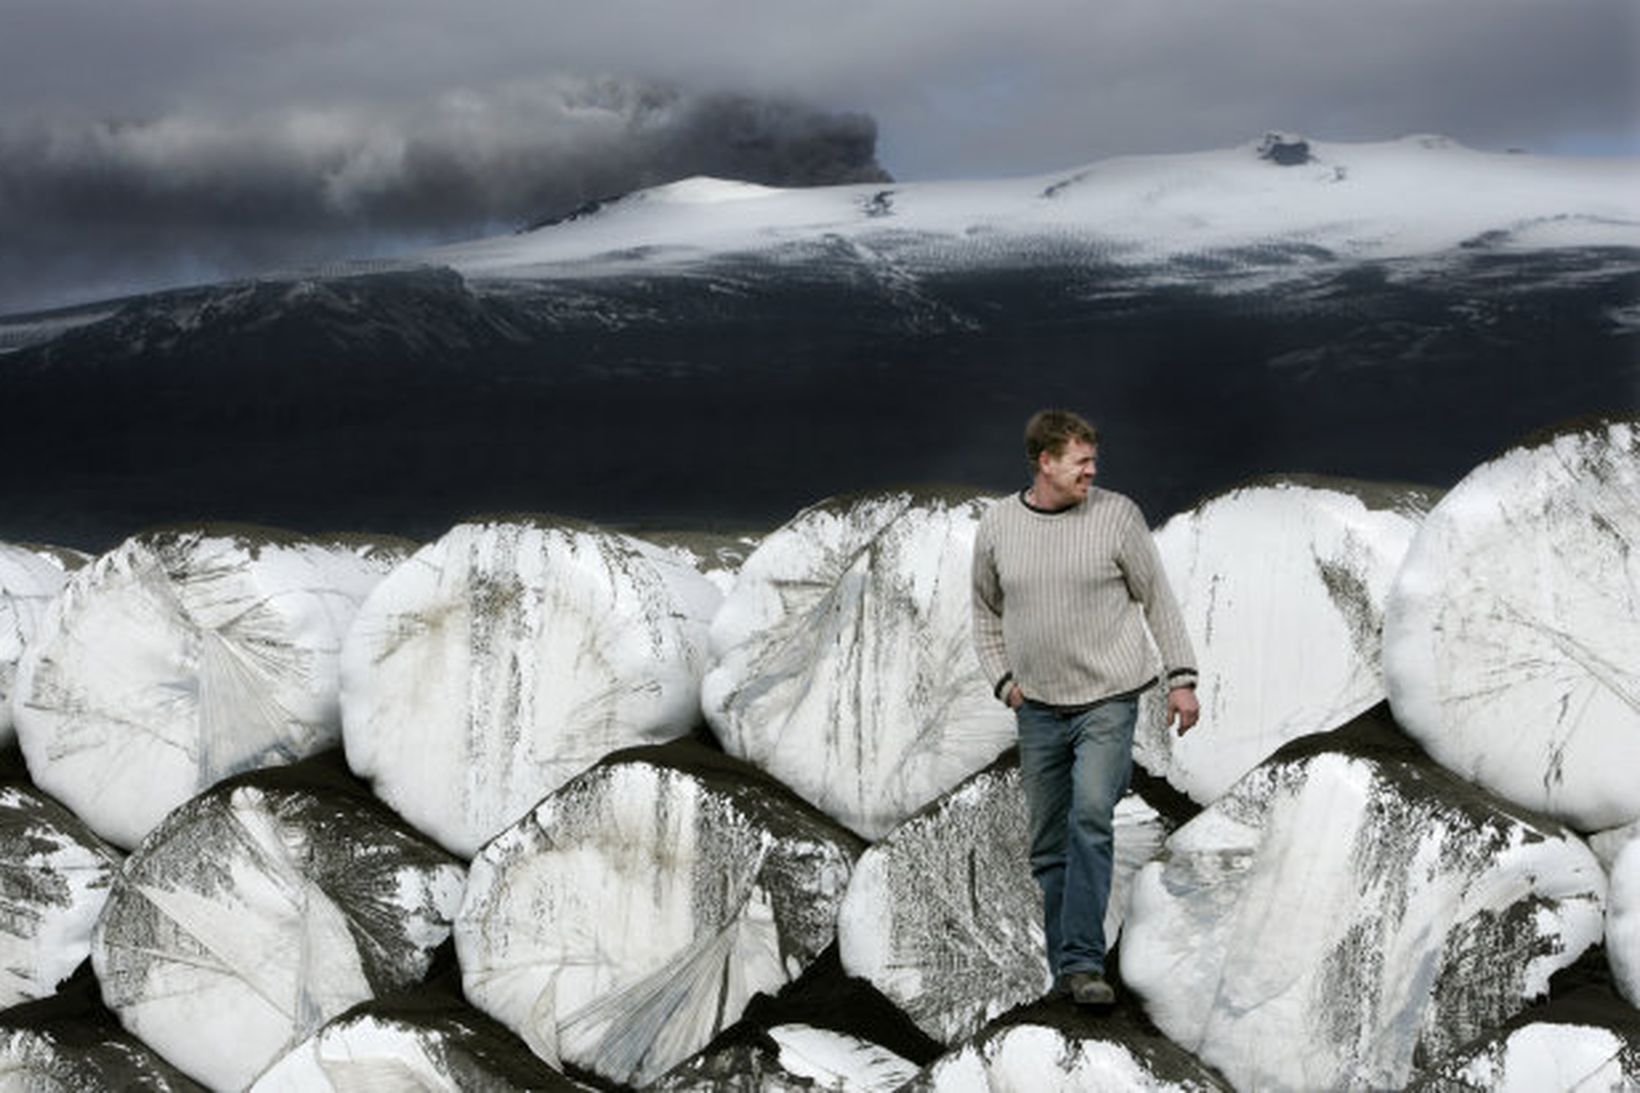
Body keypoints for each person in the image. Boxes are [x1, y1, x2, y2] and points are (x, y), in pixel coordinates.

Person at [970, 408, 1199, 1007]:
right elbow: (984, 613)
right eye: (1081, 462)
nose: (1092, 472)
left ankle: (1082, 963)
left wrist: (1181, 679)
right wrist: (1005, 685)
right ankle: (1068, 974)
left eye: (1093, 461)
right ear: (1044, 462)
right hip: (1038, 707)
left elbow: (1158, 599)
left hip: (1108, 699)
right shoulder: (997, 525)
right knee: (1049, 846)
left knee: (1091, 816)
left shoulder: (1117, 517)